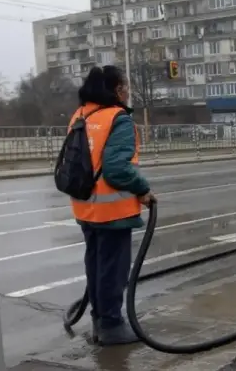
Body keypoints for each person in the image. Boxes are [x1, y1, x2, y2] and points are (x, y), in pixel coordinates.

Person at [69, 65, 154, 346]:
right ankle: (111, 326)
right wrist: (143, 189)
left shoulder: (80, 115)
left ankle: (99, 321)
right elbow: (117, 169)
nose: (128, 91)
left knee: (96, 266)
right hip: (112, 210)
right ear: (117, 89)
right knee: (113, 270)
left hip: (85, 206)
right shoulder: (118, 118)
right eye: (126, 86)